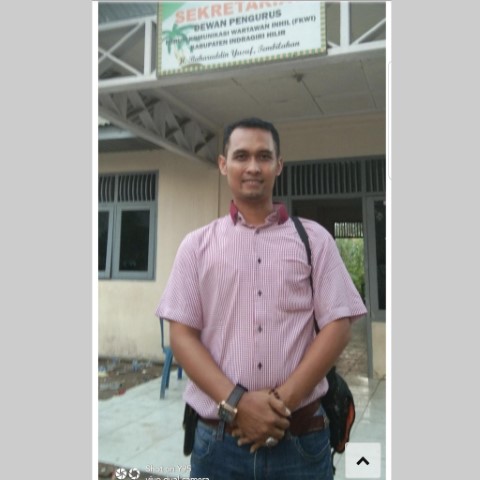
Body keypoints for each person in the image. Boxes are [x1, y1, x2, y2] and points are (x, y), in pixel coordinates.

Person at [155, 117, 367, 479]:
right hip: (218, 443)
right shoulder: (196, 246)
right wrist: (237, 404)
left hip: (300, 440)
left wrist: (277, 406)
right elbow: (182, 335)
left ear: (278, 165)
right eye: (241, 156)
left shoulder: (314, 240)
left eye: (264, 156)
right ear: (223, 164)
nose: (253, 166)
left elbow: (338, 326)